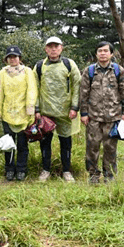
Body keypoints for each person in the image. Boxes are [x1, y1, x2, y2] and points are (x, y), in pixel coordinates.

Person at [80, 41, 124, 184]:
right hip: (93, 117)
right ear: (96, 54)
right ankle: (93, 175)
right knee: (92, 147)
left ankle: (109, 176)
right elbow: (83, 94)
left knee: (110, 148)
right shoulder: (89, 71)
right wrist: (83, 113)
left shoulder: (118, 70)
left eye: (105, 51)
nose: (102, 53)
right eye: (99, 51)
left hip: (113, 117)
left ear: (111, 53)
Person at [34, 36, 81, 182]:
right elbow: (34, 88)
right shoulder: (40, 66)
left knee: (65, 143)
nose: (53, 49)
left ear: (61, 48)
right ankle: (45, 170)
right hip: (46, 112)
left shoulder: (69, 64)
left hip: (65, 112)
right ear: (46, 49)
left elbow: (77, 85)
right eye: (50, 46)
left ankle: (66, 170)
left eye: (56, 46)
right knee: (45, 143)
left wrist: (74, 107)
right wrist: (36, 109)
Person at [0, 45, 37, 181]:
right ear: (6, 59)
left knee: (22, 144)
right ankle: (9, 169)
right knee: (8, 144)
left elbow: (31, 90)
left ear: (20, 58)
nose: (13, 59)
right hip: (7, 114)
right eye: (10, 57)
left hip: (23, 114)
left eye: (15, 57)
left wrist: (30, 110)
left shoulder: (27, 72)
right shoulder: (2, 73)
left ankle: (21, 169)